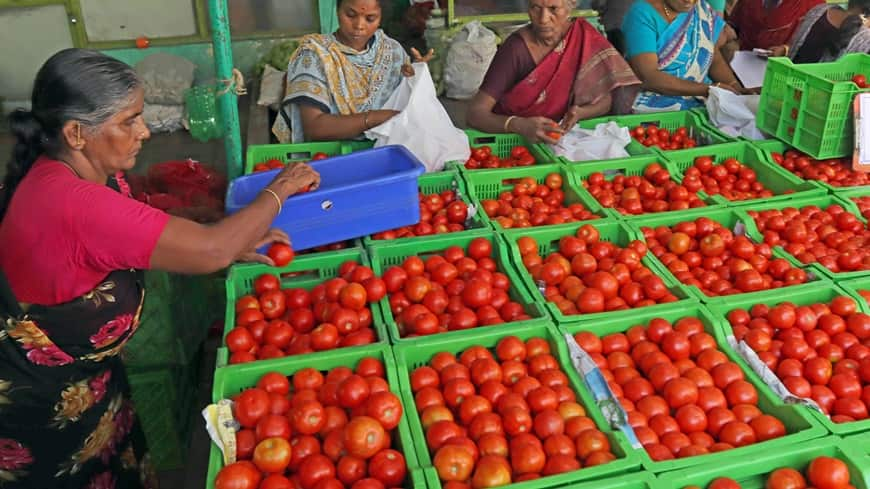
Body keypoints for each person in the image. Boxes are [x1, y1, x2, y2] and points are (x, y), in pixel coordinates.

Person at [0, 48, 320, 489]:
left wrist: (227, 235)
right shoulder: (72, 204)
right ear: (76, 132)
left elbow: (158, 232)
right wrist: (279, 190)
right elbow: (210, 252)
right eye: (129, 121)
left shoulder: (81, 173)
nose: (145, 131)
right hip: (46, 414)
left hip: (89, 387)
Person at [466, 0, 641, 144]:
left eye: (553, 9)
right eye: (535, 8)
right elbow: (476, 114)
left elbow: (609, 99)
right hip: (514, 143)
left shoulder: (585, 38)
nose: (543, 19)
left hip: (563, 142)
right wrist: (518, 125)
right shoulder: (516, 49)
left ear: (570, 7)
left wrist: (581, 113)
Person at [272, 0, 434, 143]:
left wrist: (416, 78)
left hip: (383, 148)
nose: (359, 26)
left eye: (370, 18)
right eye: (350, 15)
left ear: (381, 17)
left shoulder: (393, 51)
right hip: (331, 153)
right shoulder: (314, 54)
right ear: (337, 11)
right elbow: (315, 127)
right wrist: (373, 119)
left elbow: (410, 111)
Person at [622, 0, 746, 113]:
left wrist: (735, 87)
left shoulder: (701, 10)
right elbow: (649, 77)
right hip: (656, 105)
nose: (689, 1)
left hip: (701, 101)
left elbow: (711, 56)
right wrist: (707, 90)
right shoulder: (641, 14)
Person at [767, 0, 870, 63]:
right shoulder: (865, 40)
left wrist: (786, 50)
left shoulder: (818, 10)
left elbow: (800, 52)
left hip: (786, 86)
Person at [728, 0, 824, 51]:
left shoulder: (813, 4)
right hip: (740, 68)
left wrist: (785, 50)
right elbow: (733, 26)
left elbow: (816, 47)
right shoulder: (748, 2)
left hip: (783, 72)